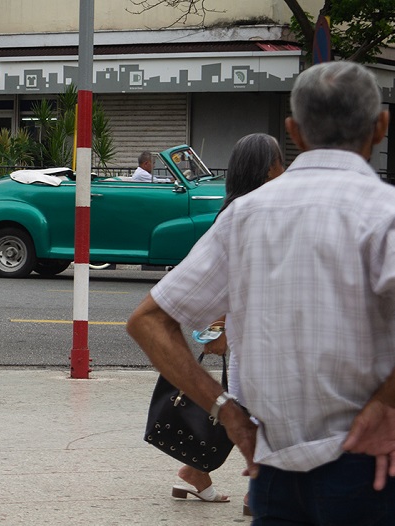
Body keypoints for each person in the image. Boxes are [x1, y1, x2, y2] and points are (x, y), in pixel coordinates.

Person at [126, 61, 395, 524]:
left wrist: (228, 413)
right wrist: (385, 403)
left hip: (272, 472)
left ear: (294, 131)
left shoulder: (244, 216)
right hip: (370, 464)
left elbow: (149, 321)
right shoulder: (384, 212)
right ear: (382, 126)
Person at [172, 133, 285, 510]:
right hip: (253, 332)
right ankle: (257, 490)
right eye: (280, 161)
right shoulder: (250, 214)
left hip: (251, 330)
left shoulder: (236, 211)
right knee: (258, 410)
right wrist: (216, 329)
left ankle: (196, 471)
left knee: (241, 406)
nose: (284, 169)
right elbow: (226, 280)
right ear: (267, 169)